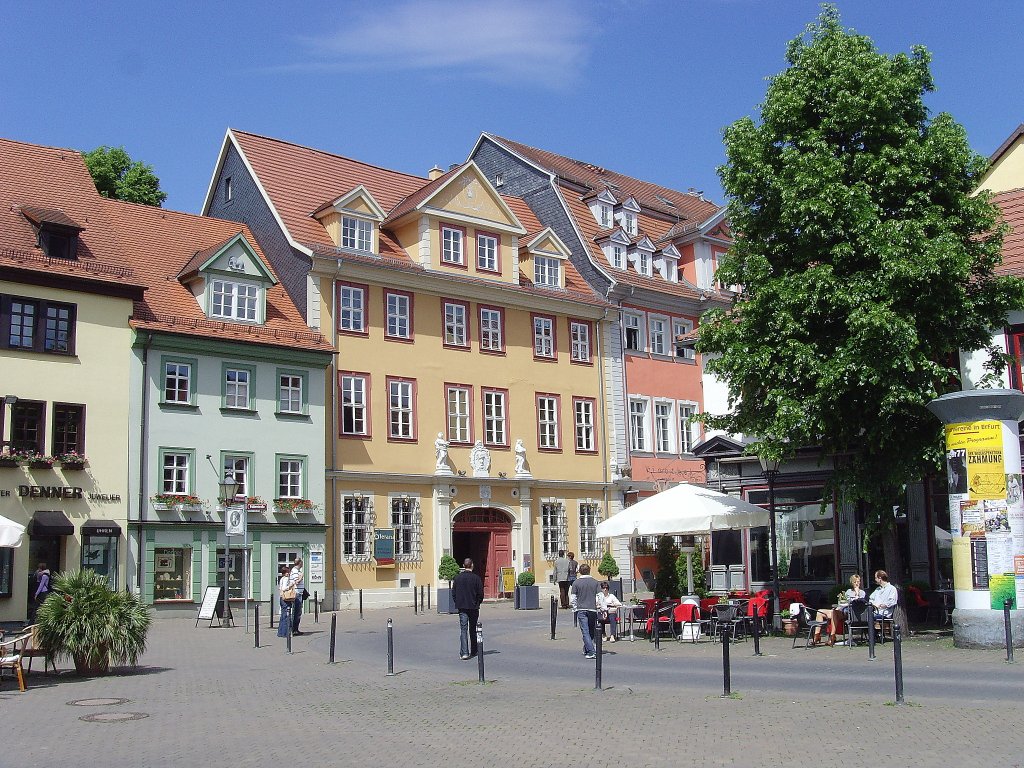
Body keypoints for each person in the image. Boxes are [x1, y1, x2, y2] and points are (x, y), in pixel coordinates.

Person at [453, 558, 484, 660]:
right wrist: (477, 602)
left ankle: (464, 653)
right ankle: (474, 650)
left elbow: (454, 593)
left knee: (463, 629)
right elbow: (481, 594)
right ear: (472, 565)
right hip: (474, 607)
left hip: (462, 607)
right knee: (473, 629)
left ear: (463, 565)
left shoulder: (457, 578)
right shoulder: (476, 578)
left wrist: (458, 602)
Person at [570, 563, 601, 658]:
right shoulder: (595, 582)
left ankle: (591, 651)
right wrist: (599, 607)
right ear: (589, 570)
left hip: (581, 609)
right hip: (592, 609)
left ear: (579, 572)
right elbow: (599, 596)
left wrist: (575, 608)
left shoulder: (576, 583)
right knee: (591, 630)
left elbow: (573, 598)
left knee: (585, 631)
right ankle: (587, 648)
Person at [277, 564, 293, 638]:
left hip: (281, 598)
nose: (288, 573)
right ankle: (285, 633)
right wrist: (290, 586)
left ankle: (280, 632)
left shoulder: (282, 578)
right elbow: (284, 588)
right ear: (284, 572)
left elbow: (280, 588)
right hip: (286, 598)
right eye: (287, 572)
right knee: (286, 615)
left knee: (283, 616)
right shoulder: (286, 579)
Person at [290, 557, 306, 635]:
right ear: (299, 563)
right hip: (297, 594)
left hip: (299, 593)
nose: (302, 563)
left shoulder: (296, 571)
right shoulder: (295, 571)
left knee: (297, 612)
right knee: (297, 612)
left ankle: (295, 629)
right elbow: (296, 582)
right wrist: (301, 576)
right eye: (301, 562)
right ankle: (294, 630)